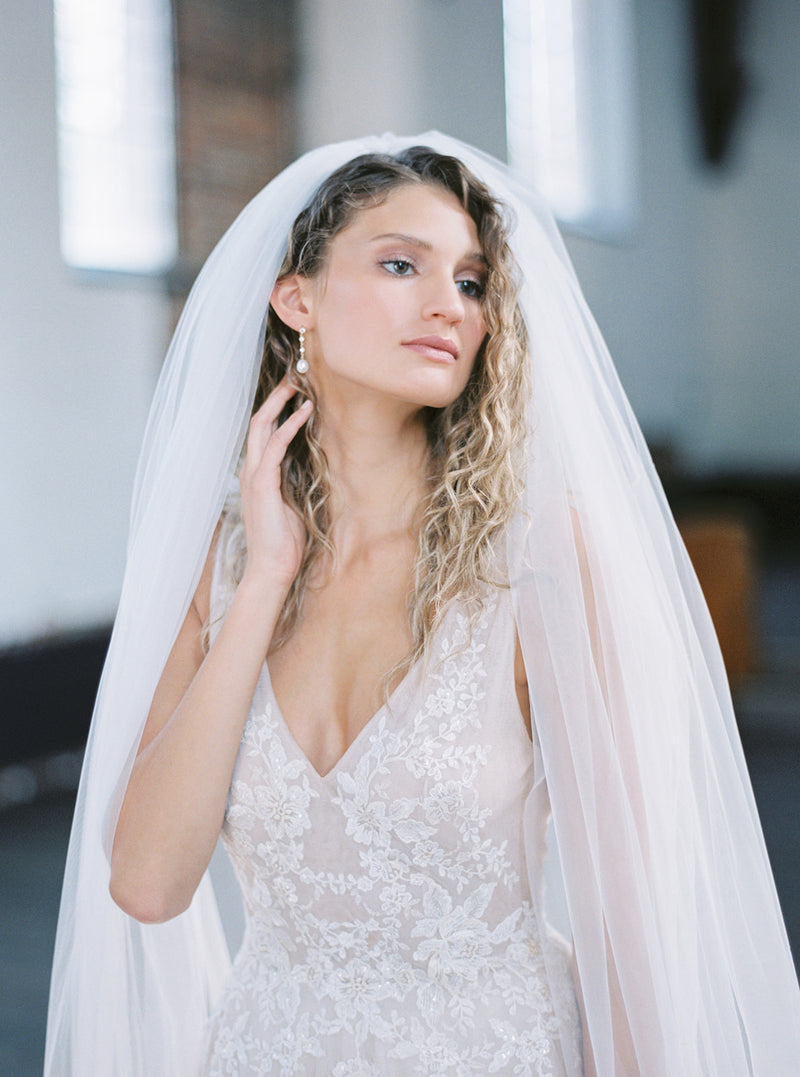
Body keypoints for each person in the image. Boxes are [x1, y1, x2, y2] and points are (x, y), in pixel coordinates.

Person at [44, 133, 800, 1077]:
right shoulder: (231, 559)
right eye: (402, 264)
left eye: (474, 282)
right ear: (296, 298)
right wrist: (265, 583)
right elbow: (148, 884)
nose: (450, 302)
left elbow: (633, 923)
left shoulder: (540, 560)